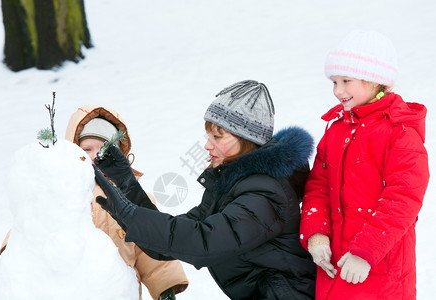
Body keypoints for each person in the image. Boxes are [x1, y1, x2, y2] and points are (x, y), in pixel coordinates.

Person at [93, 80, 317, 299]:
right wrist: (127, 185)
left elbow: (204, 242)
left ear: (246, 139)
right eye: (209, 135)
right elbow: (170, 240)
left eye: (217, 136)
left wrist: (132, 216)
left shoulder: (266, 193)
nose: (207, 145)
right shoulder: (234, 184)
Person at [299, 30, 429, 299]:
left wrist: (365, 252)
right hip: (335, 267)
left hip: (380, 271)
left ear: (375, 80)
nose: (338, 91)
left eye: (346, 80)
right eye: (334, 82)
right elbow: (318, 188)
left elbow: (403, 199)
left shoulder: (400, 132)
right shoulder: (336, 130)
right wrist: (317, 235)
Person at [64, 105, 189, 300]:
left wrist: (166, 288)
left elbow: (153, 246)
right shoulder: (61, 194)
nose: (96, 156)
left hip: (122, 292)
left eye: (104, 148)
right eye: (87, 149)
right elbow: (31, 227)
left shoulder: (133, 197)